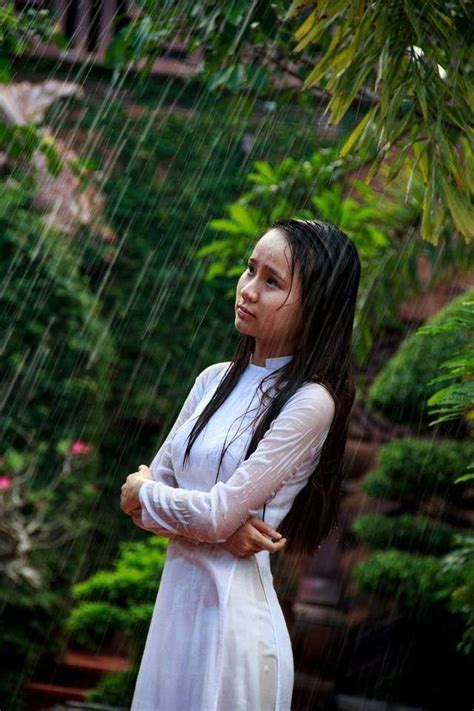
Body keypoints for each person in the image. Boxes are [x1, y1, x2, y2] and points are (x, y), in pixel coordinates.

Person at [120, 218, 361, 710]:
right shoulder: (213, 381)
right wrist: (216, 529)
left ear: (315, 306)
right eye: (250, 270)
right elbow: (188, 515)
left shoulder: (310, 402)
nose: (248, 290)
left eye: (272, 281)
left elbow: (155, 498)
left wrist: (145, 492)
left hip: (233, 625)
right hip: (176, 617)